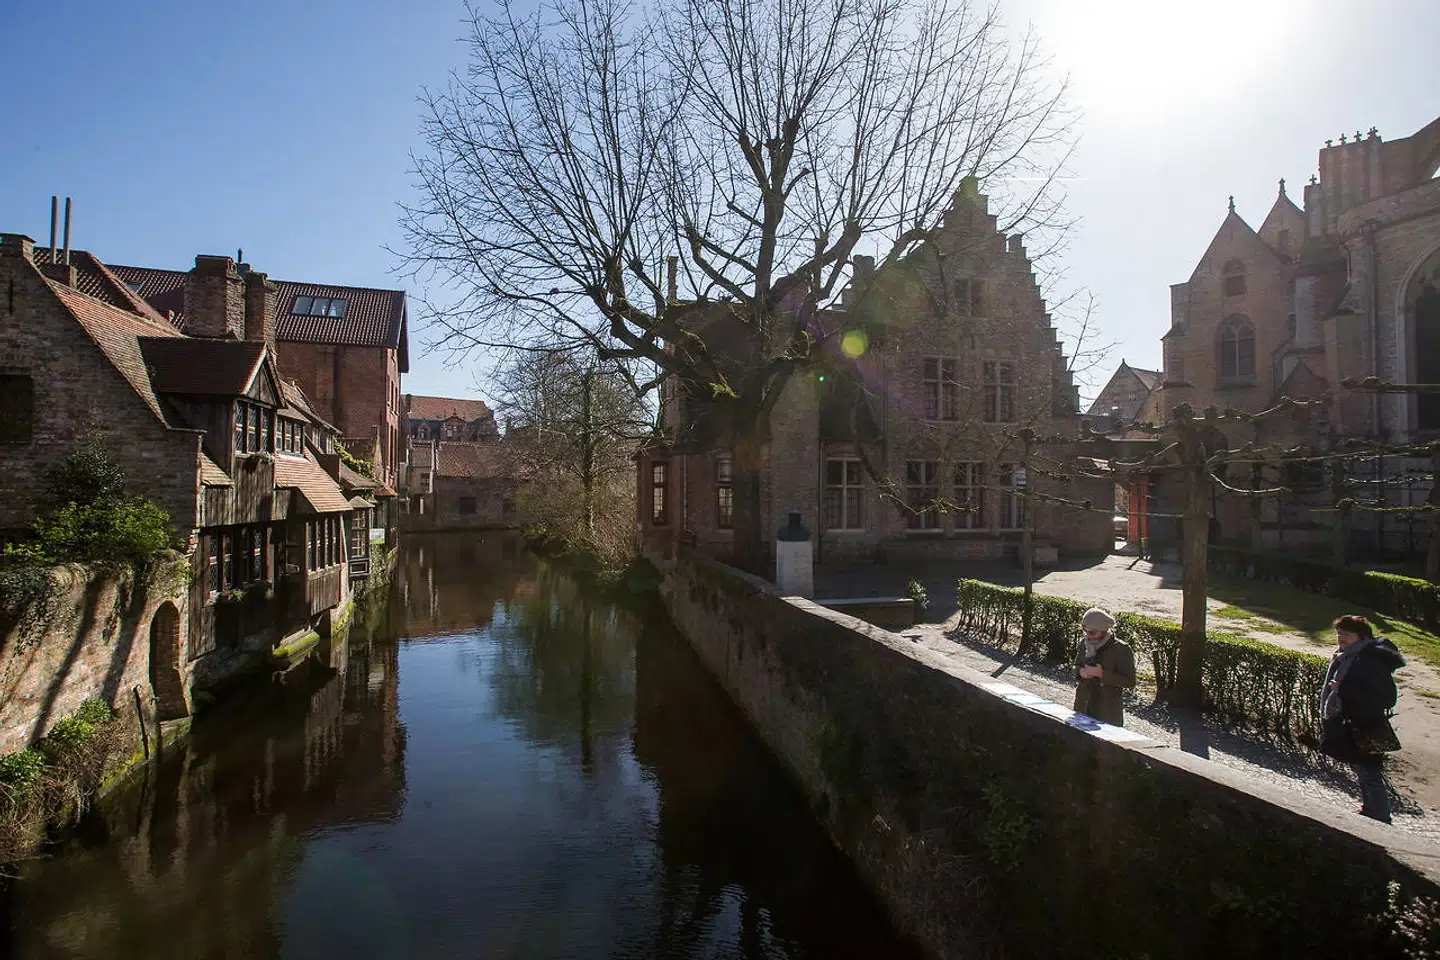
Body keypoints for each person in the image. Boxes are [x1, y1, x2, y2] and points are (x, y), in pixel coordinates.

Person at [1319, 615, 1406, 824]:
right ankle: (1370, 808)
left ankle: (1381, 814)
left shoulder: (1368, 660)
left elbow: (1387, 698)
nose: (1341, 637)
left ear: (1361, 636)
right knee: (1362, 768)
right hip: (1352, 720)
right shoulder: (1347, 655)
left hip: (1365, 724)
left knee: (1370, 771)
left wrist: (1343, 690)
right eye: (1339, 633)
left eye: (1346, 634)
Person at [1073, 607, 1137, 727]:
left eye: (1092, 632)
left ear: (1103, 630)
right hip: (1083, 705)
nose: (1088, 635)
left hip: (1107, 710)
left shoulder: (1121, 649)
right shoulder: (1084, 643)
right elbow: (1076, 667)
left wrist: (1102, 674)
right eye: (1084, 630)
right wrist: (1081, 672)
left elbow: (1130, 681)